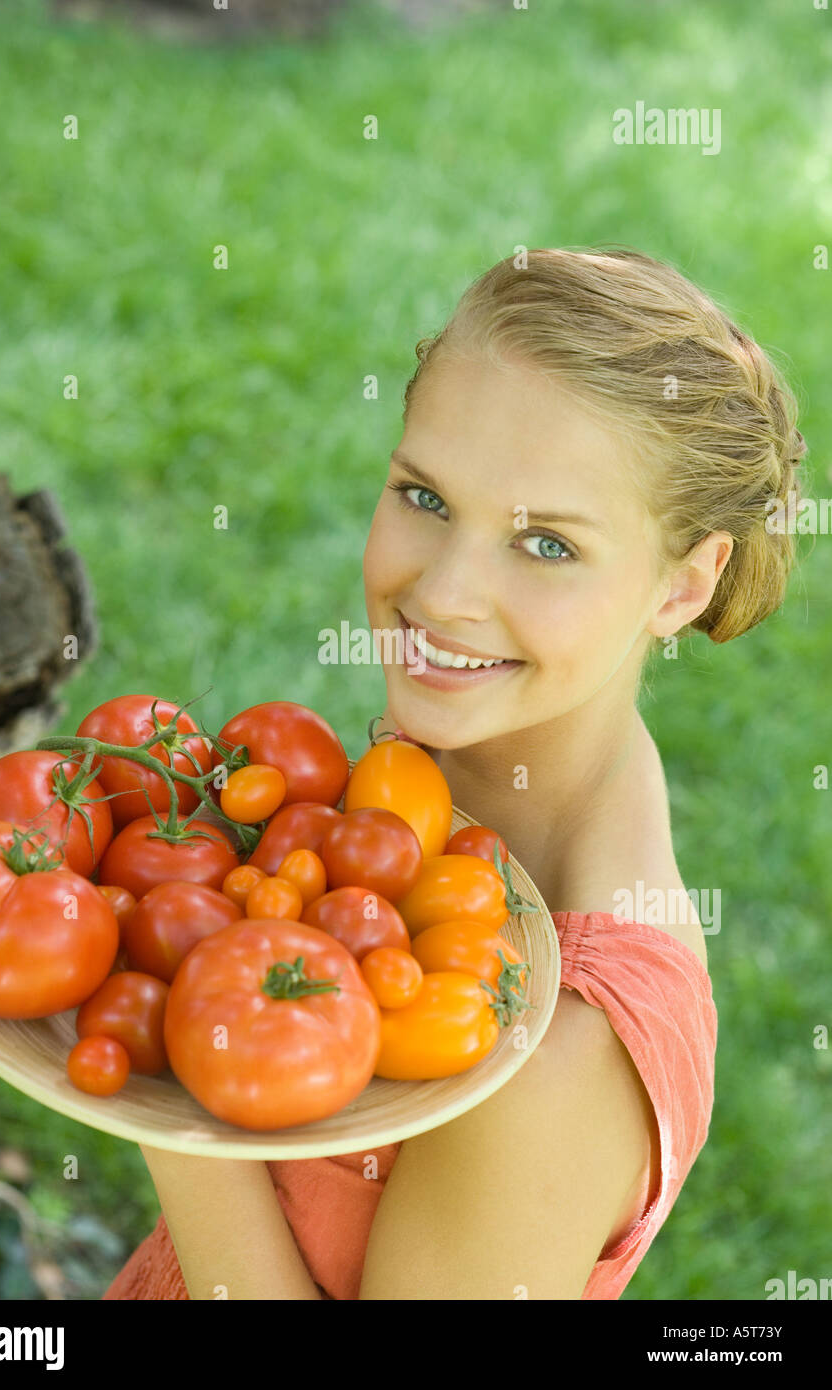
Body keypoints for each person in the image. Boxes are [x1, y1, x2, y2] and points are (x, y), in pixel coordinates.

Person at [104, 245, 806, 1300]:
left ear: (682, 583)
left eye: (548, 546)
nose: (443, 594)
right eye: (424, 497)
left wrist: (163, 1085)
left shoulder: (561, 1050)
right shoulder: (464, 764)